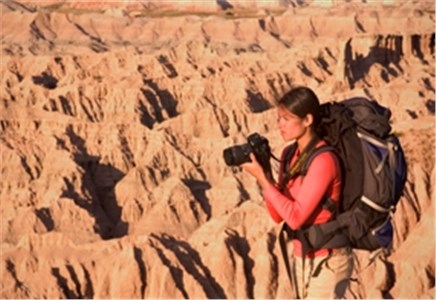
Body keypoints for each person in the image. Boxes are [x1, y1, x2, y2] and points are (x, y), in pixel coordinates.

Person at [241, 86, 354, 299]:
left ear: (308, 120)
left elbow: (295, 218)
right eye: (278, 118)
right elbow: (277, 215)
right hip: (302, 259)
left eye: (286, 119)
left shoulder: (324, 160)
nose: (280, 125)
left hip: (329, 261)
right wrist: (266, 173)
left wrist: (263, 181)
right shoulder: (289, 154)